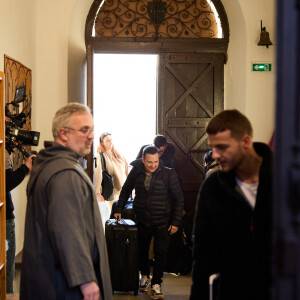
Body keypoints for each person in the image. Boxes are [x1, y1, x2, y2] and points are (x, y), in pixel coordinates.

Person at [20, 103, 112, 300]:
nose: (91, 136)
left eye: (92, 129)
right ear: (63, 134)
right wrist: (85, 279)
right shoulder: (65, 174)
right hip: (64, 286)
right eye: (84, 130)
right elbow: (66, 229)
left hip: (49, 280)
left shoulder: (49, 165)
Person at [190, 109, 273, 300]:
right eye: (213, 147)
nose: (215, 155)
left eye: (222, 147)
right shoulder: (212, 188)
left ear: (245, 142)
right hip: (230, 292)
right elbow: (203, 259)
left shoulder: (286, 182)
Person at [114, 146, 184, 300]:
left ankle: (156, 284)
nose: (153, 165)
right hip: (142, 218)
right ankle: (144, 276)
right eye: (150, 162)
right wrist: (118, 208)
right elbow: (125, 189)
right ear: (143, 160)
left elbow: (179, 198)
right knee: (142, 250)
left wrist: (176, 221)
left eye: (156, 161)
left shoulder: (168, 173)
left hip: (162, 221)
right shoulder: (137, 171)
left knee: (160, 253)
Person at [5, 149, 35, 293]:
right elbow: (5, 183)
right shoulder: (2, 151)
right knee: (7, 266)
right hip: (4, 220)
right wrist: (25, 168)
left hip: (4, 218)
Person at [95, 132, 129, 226]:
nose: (110, 142)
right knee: (113, 218)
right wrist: (98, 192)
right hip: (111, 193)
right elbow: (97, 175)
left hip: (122, 191)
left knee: (123, 217)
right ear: (102, 143)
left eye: (111, 140)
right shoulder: (100, 156)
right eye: (107, 140)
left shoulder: (118, 155)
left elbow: (127, 169)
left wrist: (132, 188)